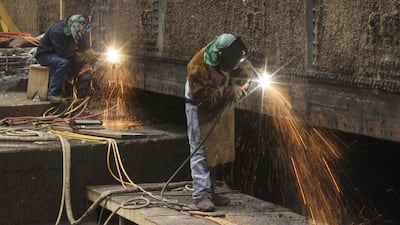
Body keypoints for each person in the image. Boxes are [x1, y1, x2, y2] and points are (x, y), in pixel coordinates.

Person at [185, 33, 256, 212]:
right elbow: (205, 99)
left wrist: (246, 80)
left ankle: (211, 191)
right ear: (220, 56)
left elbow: (244, 68)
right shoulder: (197, 66)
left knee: (215, 148)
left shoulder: (232, 53)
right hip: (199, 106)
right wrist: (230, 91)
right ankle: (201, 195)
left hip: (219, 103)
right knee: (200, 149)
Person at [35, 14, 93, 103]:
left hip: (60, 54)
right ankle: (53, 93)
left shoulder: (78, 28)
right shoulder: (57, 31)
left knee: (81, 64)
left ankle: (75, 90)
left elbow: (83, 44)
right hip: (45, 55)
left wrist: (89, 53)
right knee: (64, 63)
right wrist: (79, 56)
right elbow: (63, 53)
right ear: (74, 26)